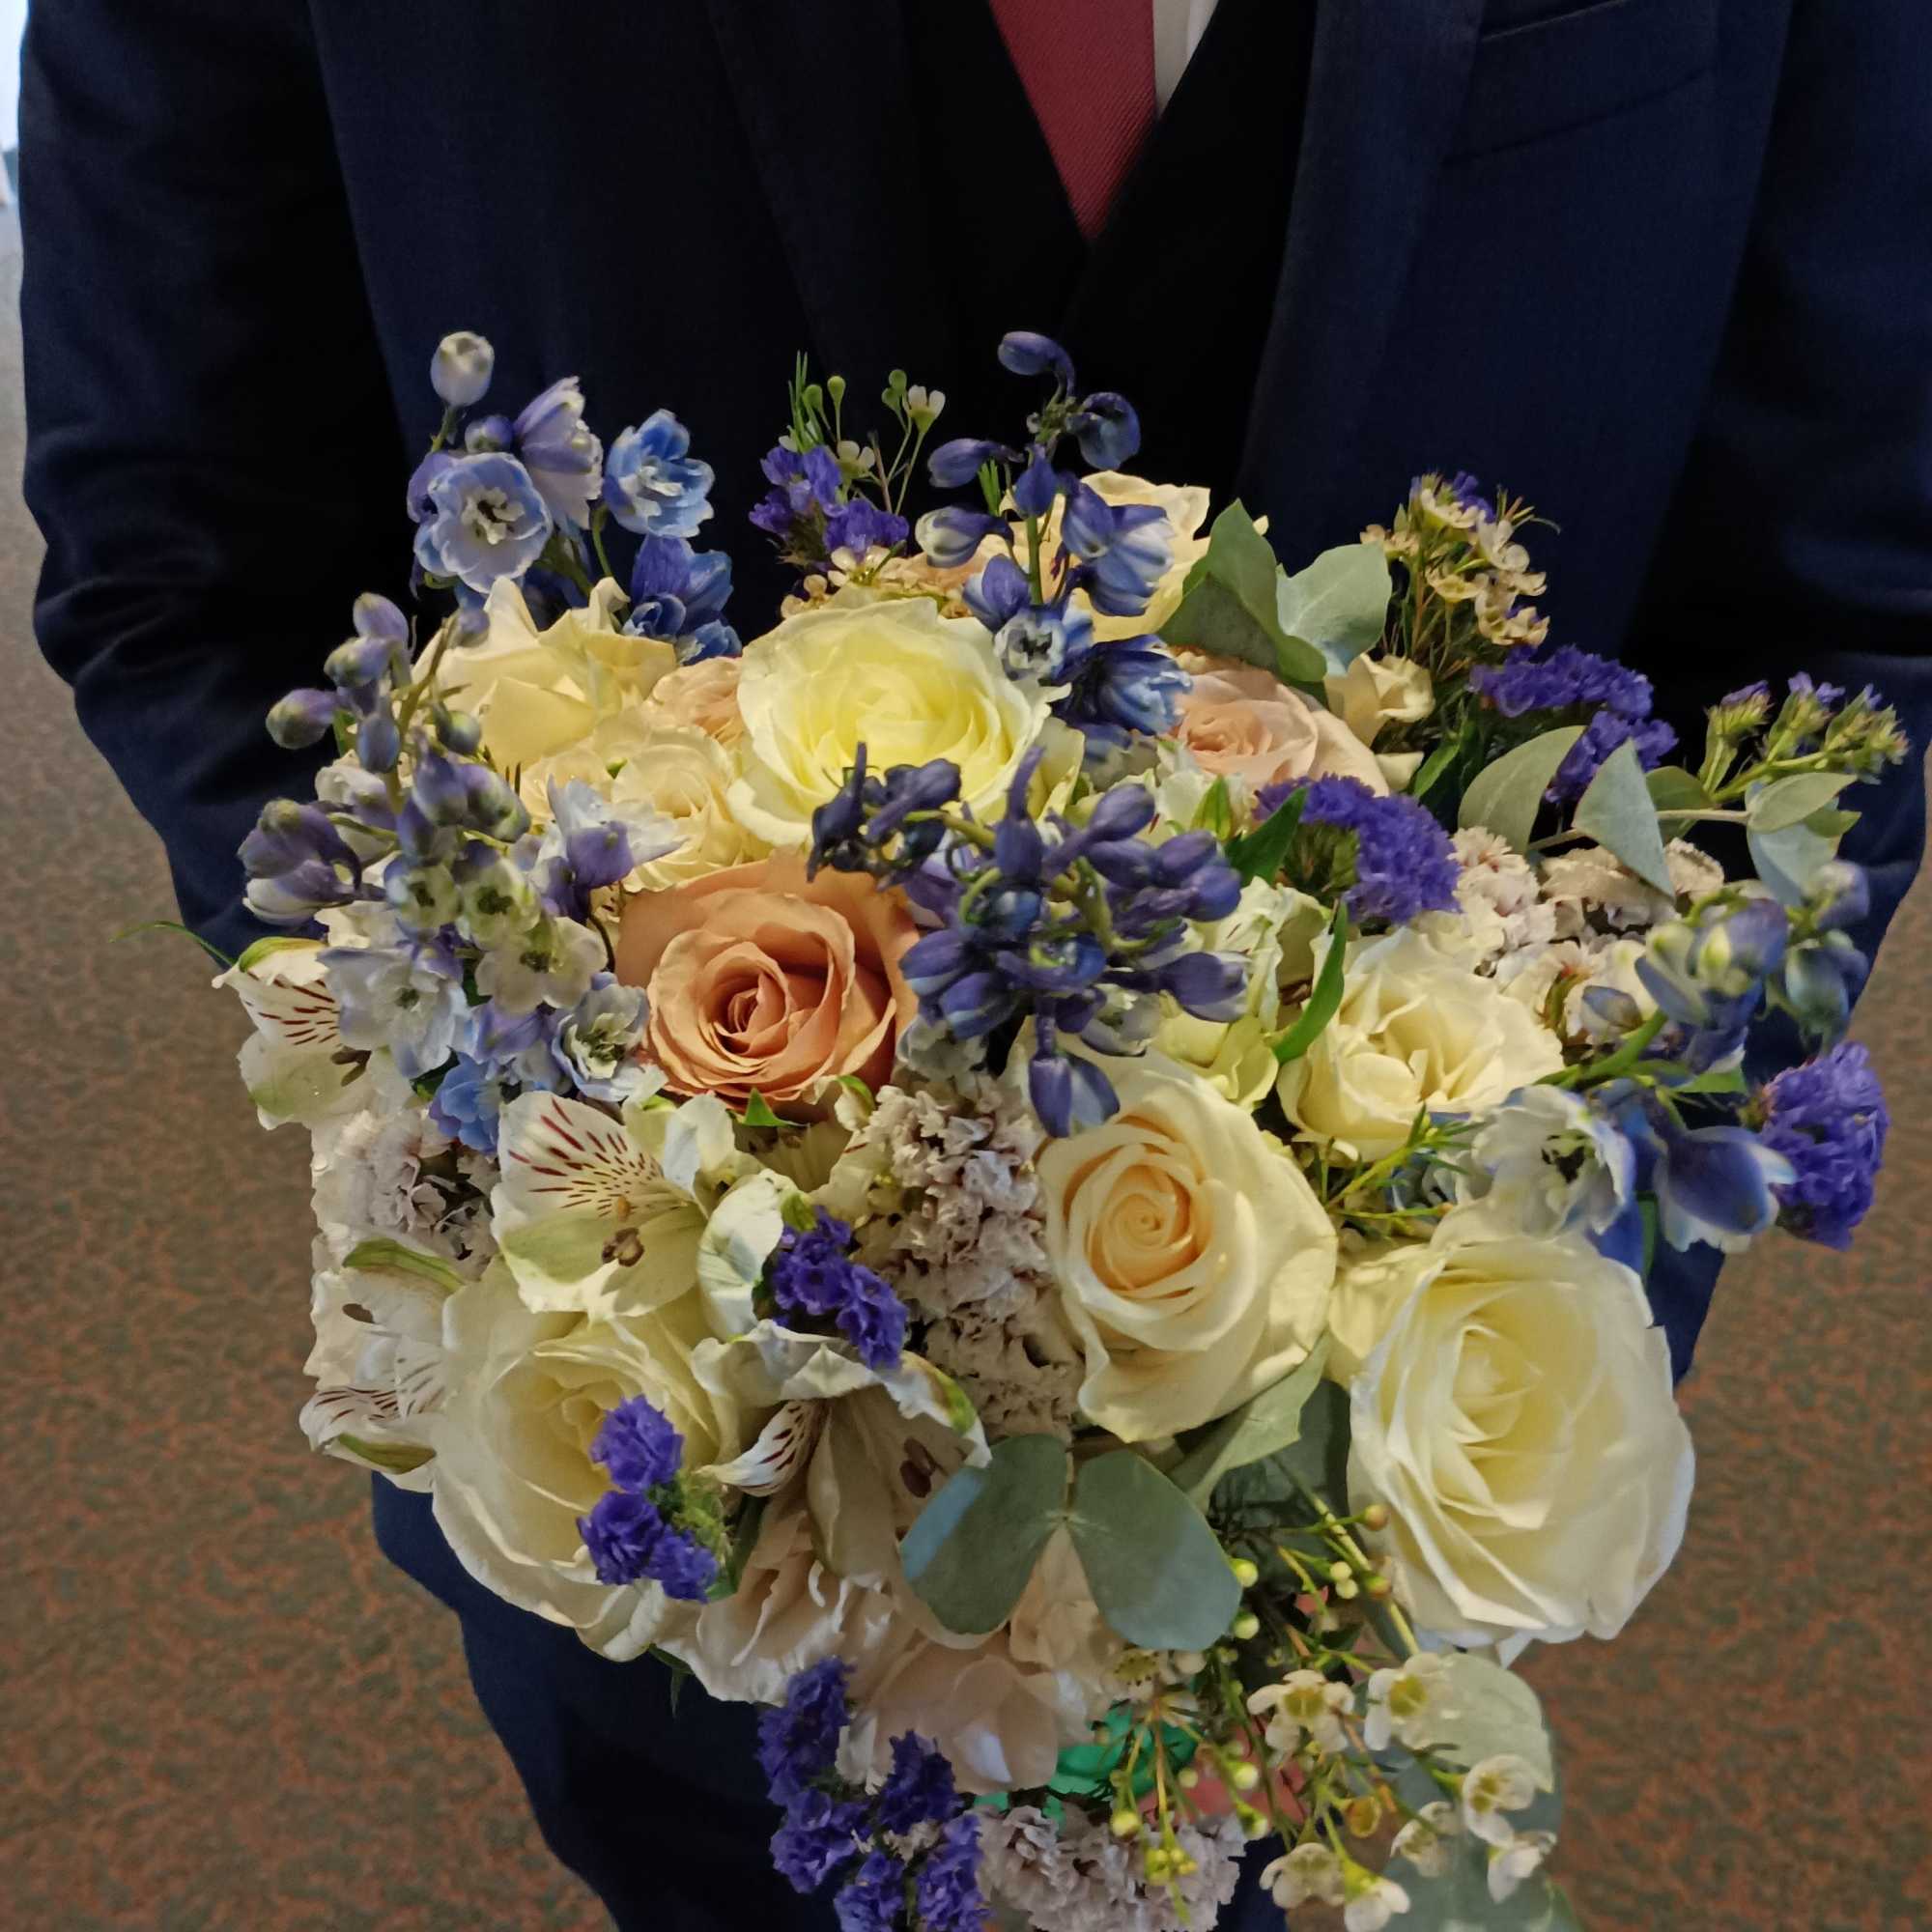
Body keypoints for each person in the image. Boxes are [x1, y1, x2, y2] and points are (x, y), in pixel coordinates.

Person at [21, 2, 1932, 1925]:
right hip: (684, 1522)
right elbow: (191, 553)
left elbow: (1837, 599)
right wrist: (534, 1083)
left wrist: (1510, 1227)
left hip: (1382, 1504)